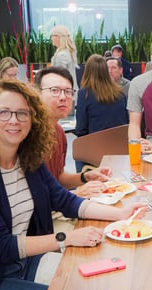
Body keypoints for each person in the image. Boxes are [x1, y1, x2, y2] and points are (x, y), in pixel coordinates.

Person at [0, 79, 146, 290]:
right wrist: (66, 239)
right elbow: (0, 245)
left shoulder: (28, 160)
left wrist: (120, 214)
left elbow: (65, 200)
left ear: (32, 120)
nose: (14, 121)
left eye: (22, 113)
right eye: (4, 113)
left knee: (97, 284)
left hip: (22, 266)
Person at [34, 66, 110, 197]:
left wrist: (85, 177)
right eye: (55, 90)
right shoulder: (30, 134)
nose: (63, 97)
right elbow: (36, 193)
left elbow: (59, 178)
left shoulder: (59, 132)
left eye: (68, 91)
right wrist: (77, 193)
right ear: (37, 94)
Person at [75, 54, 128, 171]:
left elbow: (80, 129)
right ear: (105, 71)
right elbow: (125, 122)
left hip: (94, 151)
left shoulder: (84, 94)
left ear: (87, 71)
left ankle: (81, 182)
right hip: (119, 149)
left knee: (77, 147)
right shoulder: (120, 93)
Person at [50, 25, 79, 115]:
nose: (51, 39)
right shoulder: (67, 52)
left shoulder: (62, 55)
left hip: (65, 93)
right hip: (69, 92)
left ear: (58, 37)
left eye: (52, 36)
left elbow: (59, 76)